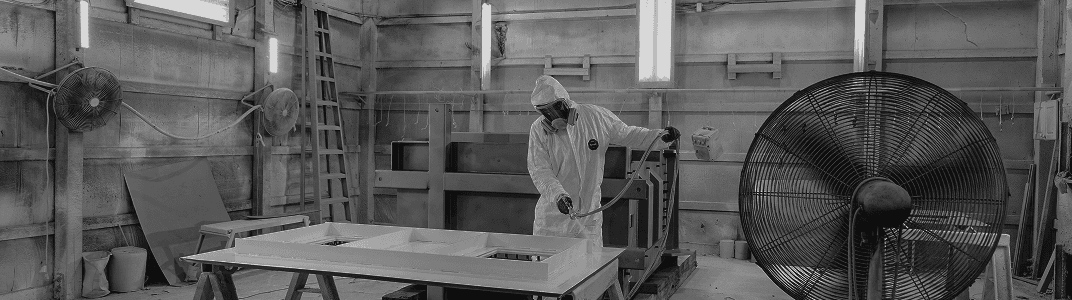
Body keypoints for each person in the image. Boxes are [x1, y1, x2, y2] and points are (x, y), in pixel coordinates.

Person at [527, 75, 679, 251]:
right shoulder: (539, 130)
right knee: (549, 269)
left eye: (555, 109)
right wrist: (558, 195)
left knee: (589, 270)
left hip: (588, 218)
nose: (552, 116)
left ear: (565, 103)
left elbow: (628, 134)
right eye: (545, 112)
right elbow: (540, 170)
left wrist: (660, 136)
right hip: (553, 218)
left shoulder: (595, 118)